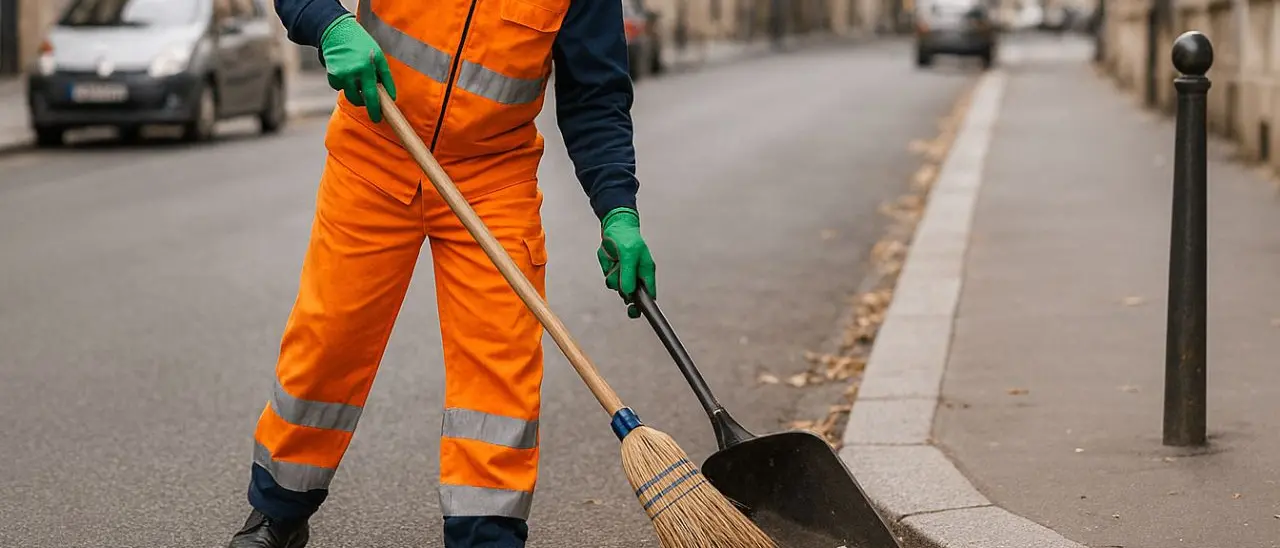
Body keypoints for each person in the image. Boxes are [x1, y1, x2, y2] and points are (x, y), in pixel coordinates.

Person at [227, 0, 657, 546]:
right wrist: (328, 23)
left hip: (492, 181)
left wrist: (617, 210)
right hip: (376, 152)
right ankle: (278, 512)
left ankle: (486, 538)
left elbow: (594, 94)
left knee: (498, 381)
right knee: (328, 345)